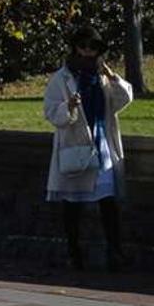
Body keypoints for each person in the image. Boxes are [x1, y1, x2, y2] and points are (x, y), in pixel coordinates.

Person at [45, 23, 135, 272]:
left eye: (93, 47)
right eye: (83, 46)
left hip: (102, 143)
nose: (88, 51)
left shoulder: (102, 76)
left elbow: (123, 99)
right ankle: (74, 253)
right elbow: (51, 112)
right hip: (76, 145)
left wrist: (113, 77)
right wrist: (70, 107)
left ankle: (115, 251)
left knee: (108, 201)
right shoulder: (61, 78)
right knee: (73, 205)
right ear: (75, 48)